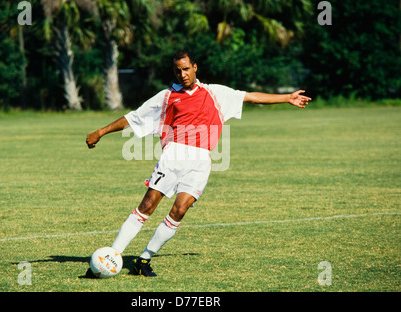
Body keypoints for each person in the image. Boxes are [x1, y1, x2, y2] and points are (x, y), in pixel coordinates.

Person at [85, 50, 311, 277]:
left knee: (179, 210)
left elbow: (250, 96)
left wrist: (286, 97)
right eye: (177, 70)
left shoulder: (215, 93)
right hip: (173, 156)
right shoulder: (166, 96)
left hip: (202, 161)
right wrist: (101, 131)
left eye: (185, 69)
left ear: (195, 67)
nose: (182, 74)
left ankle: (143, 260)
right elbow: (134, 118)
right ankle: (112, 255)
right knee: (147, 206)